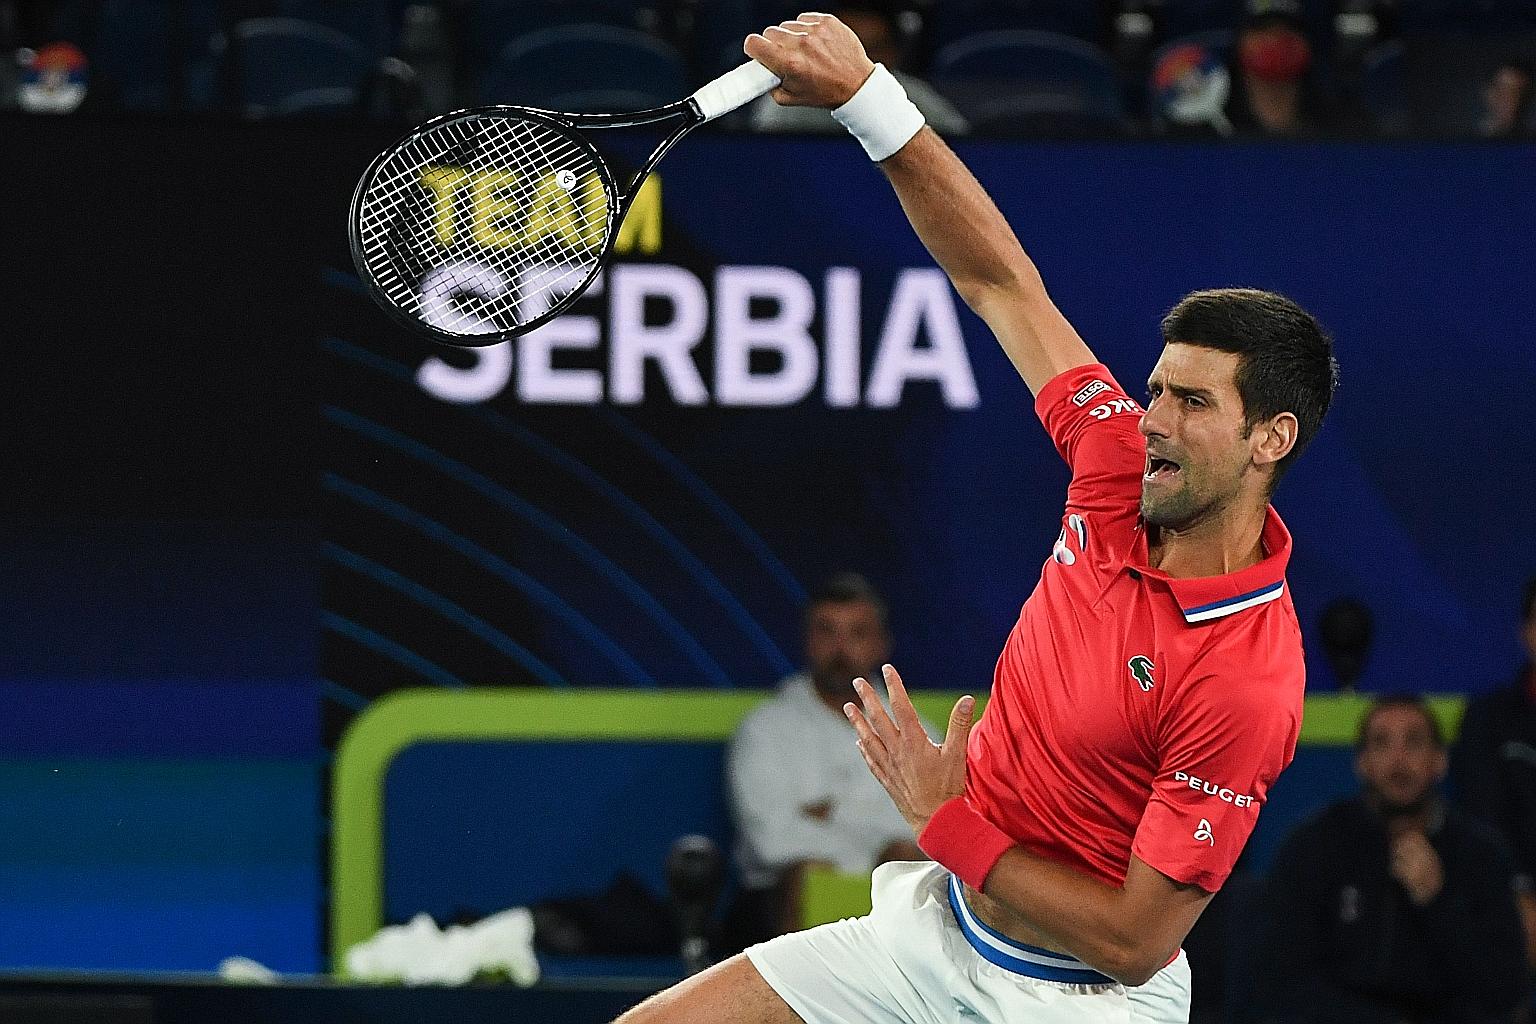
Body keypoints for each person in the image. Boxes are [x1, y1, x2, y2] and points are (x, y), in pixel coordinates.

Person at [617, 12, 1338, 1024]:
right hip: (927, 934)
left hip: (1079, 1001)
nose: (1154, 421)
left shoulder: (1247, 678)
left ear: (1272, 440)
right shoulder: (1115, 462)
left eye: (1193, 403)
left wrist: (944, 819)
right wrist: (871, 100)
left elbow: (1136, 940)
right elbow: (999, 281)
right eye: (1157, 389)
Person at [1256, 695, 1528, 1024]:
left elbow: (1505, 991)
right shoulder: (1317, 846)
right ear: (1362, 763)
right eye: (1382, 744)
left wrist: (1438, 901)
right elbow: (1279, 981)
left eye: (1413, 742)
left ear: (1440, 761)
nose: (1398, 761)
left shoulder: (1480, 855)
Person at [724, 572, 928, 947]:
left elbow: (929, 827)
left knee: (909, 865)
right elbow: (771, 842)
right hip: (775, 900)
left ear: (882, 644)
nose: (840, 648)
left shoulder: (912, 729)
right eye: (827, 631)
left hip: (889, 888)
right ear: (808, 641)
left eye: (856, 633)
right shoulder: (766, 727)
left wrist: (831, 811)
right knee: (810, 871)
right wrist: (874, 844)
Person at [1452, 576, 1536, 970]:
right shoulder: (1489, 721)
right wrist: (1517, 895)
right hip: (1508, 906)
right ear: (1527, 632)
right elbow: (1483, 822)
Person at [748, 4, 968, 137]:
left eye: (870, 50)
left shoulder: (918, 100)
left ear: (892, 53)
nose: (853, 61)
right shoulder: (789, 101)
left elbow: (958, 151)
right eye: (848, 49)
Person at [1479, 61, 1534, 139]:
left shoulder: (1529, 143)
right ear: (1487, 92)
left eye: (1515, 92)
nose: (1507, 98)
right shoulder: (1462, 137)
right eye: (1500, 90)